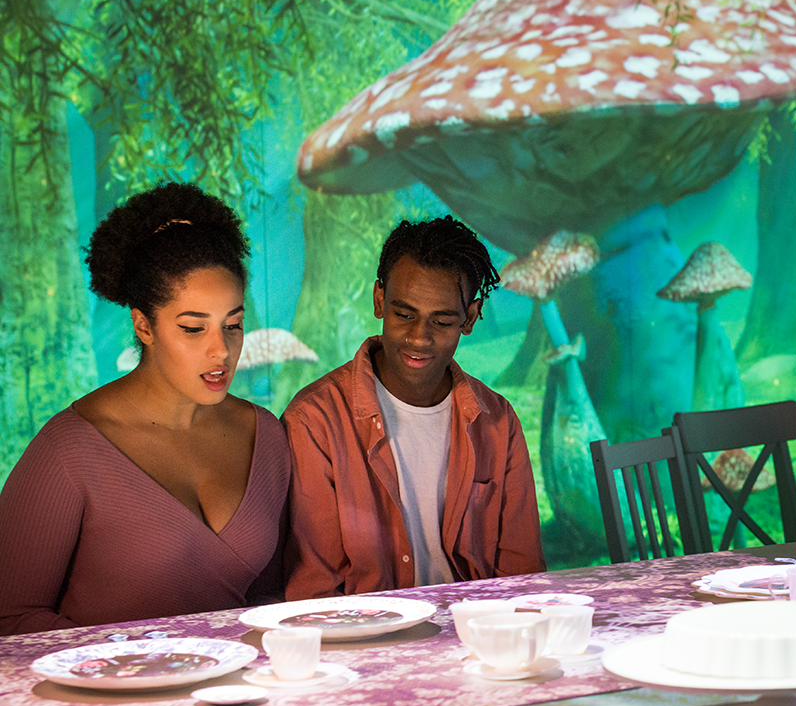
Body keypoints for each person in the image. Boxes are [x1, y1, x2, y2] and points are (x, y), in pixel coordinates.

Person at [0, 183, 290, 635]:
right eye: (194, 328)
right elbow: (10, 618)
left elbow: (271, 597)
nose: (222, 350)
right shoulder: (68, 450)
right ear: (143, 325)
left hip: (237, 695)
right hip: (107, 698)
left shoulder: (266, 435)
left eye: (233, 325)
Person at [283, 216, 543, 598]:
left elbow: (523, 580)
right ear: (378, 300)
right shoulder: (315, 421)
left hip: (480, 636)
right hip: (364, 641)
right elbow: (314, 592)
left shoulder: (498, 422)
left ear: (470, 318)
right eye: (404, 315)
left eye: (441, 321)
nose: (419, 337)